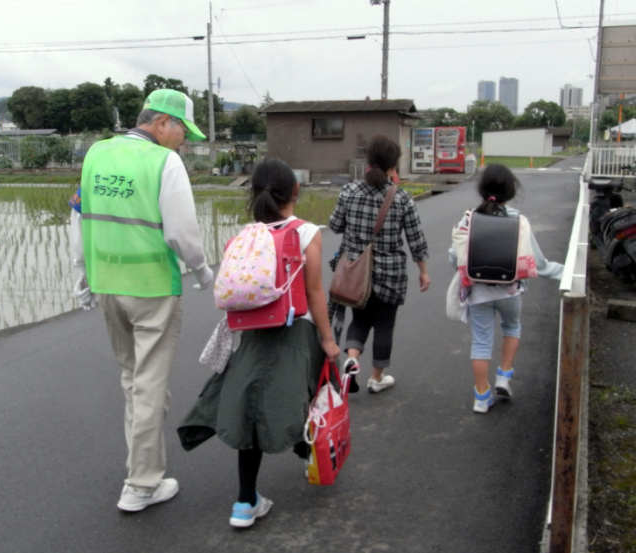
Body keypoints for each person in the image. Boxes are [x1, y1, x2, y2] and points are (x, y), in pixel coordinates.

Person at [69, 89, 214, 511]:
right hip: (151, 288)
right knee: (150, 385)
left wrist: (81, 275)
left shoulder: (97, 153)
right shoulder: (164, 162)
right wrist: (203, 271)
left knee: (134, 380)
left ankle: (140, 469)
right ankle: (142, 485)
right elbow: (181, 231)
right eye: (183, 130)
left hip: (107, 284)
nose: (184, 140)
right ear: (162, 122)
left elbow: (78, 215)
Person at [177, 158, 340, 528]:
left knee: (251, 411)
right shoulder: (307, 232)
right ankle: (310, 455)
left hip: (249, 333)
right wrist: (329, 340)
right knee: (310, 396)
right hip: (297, 332)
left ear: (254, 194)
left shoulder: (243, 236)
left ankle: (245, 502)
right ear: (295, 192)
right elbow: (314, 292)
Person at [448, 163, 563, 414]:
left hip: (478, 292)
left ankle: (481, 397)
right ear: (511, 191)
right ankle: (504, 377)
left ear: (481, 189)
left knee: (480, 343)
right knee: (512, 327)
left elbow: (453, 256)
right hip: (511, 291)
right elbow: (539, 264)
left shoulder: (469, 218)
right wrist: (565, 274)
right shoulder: (518, 220)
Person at [329, 135, 430, 394]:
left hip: (356, 272)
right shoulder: (402, 198)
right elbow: (415, 238)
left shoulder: (349, 191)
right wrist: (423, 272)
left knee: (359, 320)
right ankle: (377, 378)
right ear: (392, 166)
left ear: (368, 161)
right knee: (385, 324)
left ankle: (352, 360)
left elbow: (335, 226)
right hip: (391, 274)